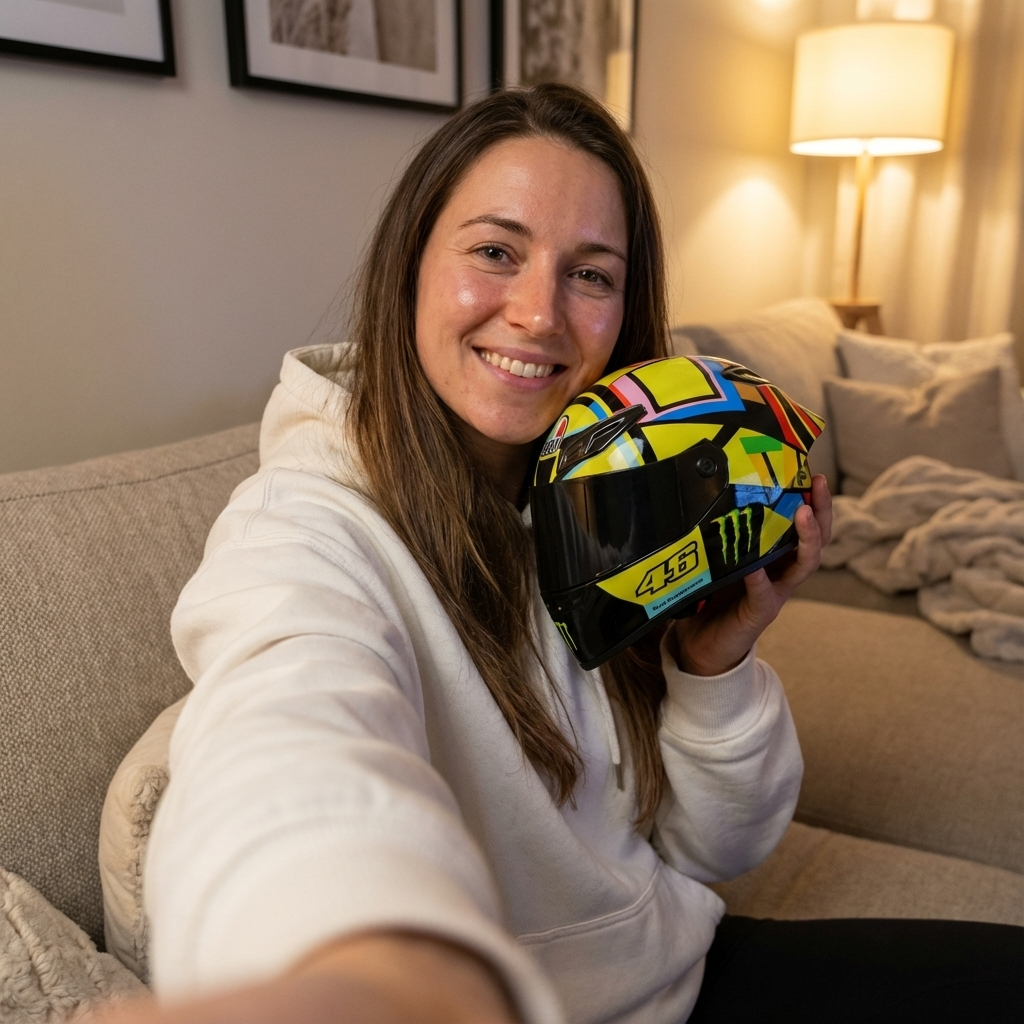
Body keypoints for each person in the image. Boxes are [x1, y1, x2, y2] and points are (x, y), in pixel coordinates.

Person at [94, 85, 1021, 1024]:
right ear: (410, 266)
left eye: (591, 274)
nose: (540, 314)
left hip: (676, 977)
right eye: (496, 252)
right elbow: (287, 738)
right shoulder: (302, 527)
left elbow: (715, 852)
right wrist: (363, 970)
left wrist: (713, 667)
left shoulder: (615, 489)